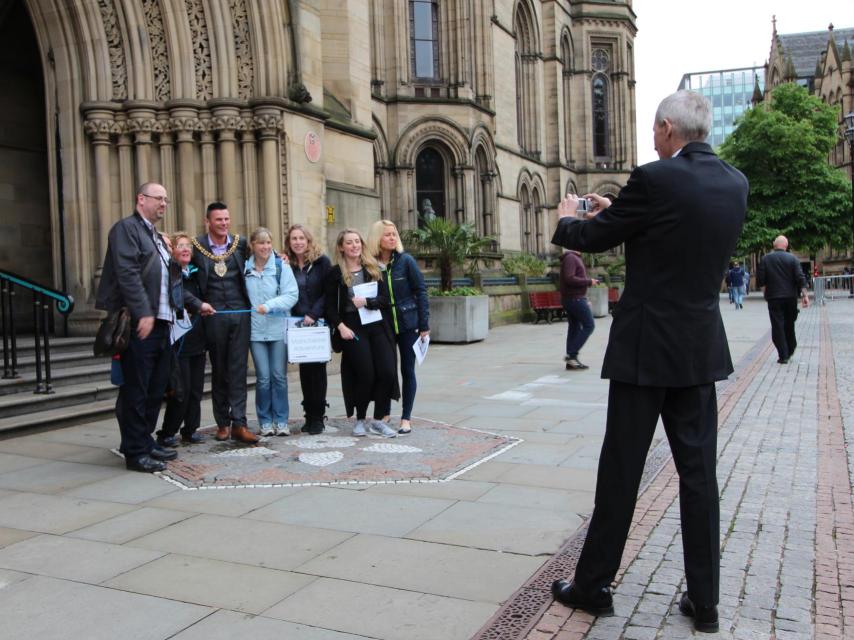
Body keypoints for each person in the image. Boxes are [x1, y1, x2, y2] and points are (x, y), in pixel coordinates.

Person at [549, 90, 749, 634]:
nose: (652, 138)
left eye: (654, 130)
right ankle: (704, 601)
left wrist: (568, 219)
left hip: (644, 351)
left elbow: (590, 238)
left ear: (666, 128)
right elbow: (673, 239)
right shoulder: (735, 183)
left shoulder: (655, 177)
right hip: (698, 349)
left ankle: (592, 586)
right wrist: (627, 214)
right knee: (698, 475)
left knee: (622, 470)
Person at [95, 183, 209, 472]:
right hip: (138, 324)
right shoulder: (126, 229)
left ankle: (144, 441)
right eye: (159, 198)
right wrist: (142, 312)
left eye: (166, 200)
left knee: (156, 388)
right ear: (141, 199)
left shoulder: (156, 237)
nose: (164, 204)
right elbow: (127, 273)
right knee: (137, 388)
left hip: (162, 324)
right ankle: (135, 452)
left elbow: (171, 283)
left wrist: (196, 305)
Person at [185, 202, 258, 444]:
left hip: (240, 314)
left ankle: (240, 422)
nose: (224, 224)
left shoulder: (241, 244)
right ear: (208, 222)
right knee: (219, 370)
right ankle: (223, 423)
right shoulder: (196, 247)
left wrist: (280, 258)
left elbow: (262, 259)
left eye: (227, 219)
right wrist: (197, 304)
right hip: (213, 315)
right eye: (219, 220)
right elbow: (184, 277)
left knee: (238, 369)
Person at [325, 228, 400, 438]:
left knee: (387, 372)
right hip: (352, 327)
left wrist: (367, 302)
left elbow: (386, 300)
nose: (354, 246)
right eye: (349, 242)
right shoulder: (335, 273)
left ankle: (378, 420)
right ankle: (360, 419)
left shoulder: (374, 269)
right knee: (365, 374)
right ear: (341, 247)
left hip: (376, 325)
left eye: (357, 241)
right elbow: (330, 307)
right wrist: (340, 326)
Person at [367, 219, 430, 435]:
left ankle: (406, 417)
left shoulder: (406, 261)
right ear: (378, 238)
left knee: (407, 370)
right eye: (387, 234)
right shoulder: (371, 264)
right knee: (386, 370)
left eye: (394, 234)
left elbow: (421, 291)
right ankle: (384, 412)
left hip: (408, 323)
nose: (392, 238)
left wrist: (424, 324)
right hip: (382, 324)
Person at [156, 232, 208, 447]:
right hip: (178, 342)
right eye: (180, 246)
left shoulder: (196, 273)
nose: (186, 249)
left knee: (196, 389)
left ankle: (190, 429)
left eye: (188, 246)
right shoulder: (170, 273)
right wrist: (197, 305)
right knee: (180, 390)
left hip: (198, 339)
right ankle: (167, 432)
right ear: (171, 251)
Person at [245, 227, 298, 436]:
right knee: (263, 378)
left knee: (279, 377)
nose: (265, 247)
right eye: (261, 243)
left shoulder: (281, 267)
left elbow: (291, 295)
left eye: (268, 243)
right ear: (253, 246)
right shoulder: (245, 268)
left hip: (278, 330)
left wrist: (269, 305)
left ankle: (282, 420)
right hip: (256, 332)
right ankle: (265, 421)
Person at [285, 224, 332, 435]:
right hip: (297, 325)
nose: (298, 242)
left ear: (308, 240)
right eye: (294, 239)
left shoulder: (322, 262)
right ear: (289, 242)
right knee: (305, 372)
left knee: (318, 372)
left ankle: (319, 416)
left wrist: (313, 314)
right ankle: (308, 416)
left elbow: (328, 292)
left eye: (301, 238)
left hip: (318, 323)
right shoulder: (287, 264)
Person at [755, 235, 809, 364]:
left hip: (774, 297)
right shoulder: (793, 259)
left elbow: (761, 280)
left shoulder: (766, 259)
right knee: (789, 324)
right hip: (790, 297)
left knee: (777, 325)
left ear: (774, 245)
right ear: (786, 245)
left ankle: (783, 354)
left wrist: (765, 293)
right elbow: (800, 278)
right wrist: (805, 295)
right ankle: (790, 348)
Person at [559, 249, 598, 370]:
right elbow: (569, 278)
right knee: (589, 325)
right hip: (574, 299)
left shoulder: (575, 257)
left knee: (574, 328)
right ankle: (571, 355)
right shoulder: (571, 258)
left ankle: (572, 362)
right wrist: (588, 281)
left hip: (574, 298)